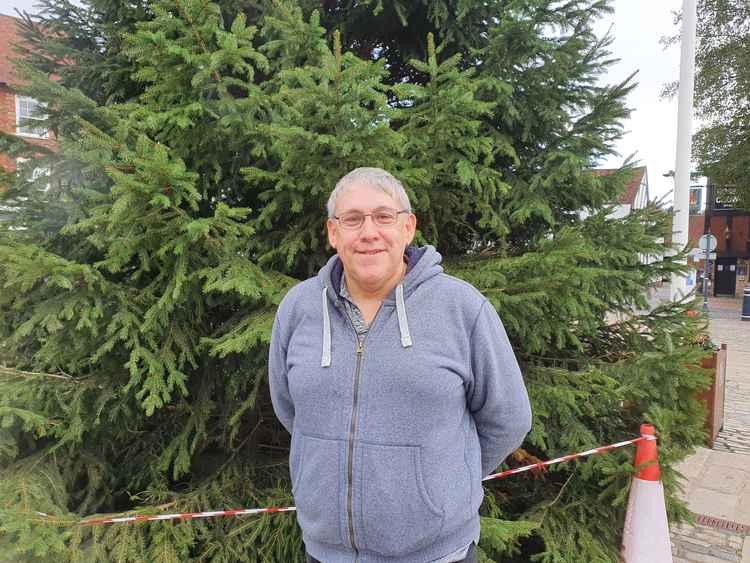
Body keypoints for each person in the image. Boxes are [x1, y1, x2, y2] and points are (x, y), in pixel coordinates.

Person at [269, 167, 532, 563]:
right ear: (333, 233)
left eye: (383, 217)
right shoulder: (298, 309)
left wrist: (439, 484)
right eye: (352, 219)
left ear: (408, 228)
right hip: (324, 554)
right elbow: (290, 409)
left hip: (437, 556)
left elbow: (508, 418)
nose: (369, 232)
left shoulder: (462, 309)